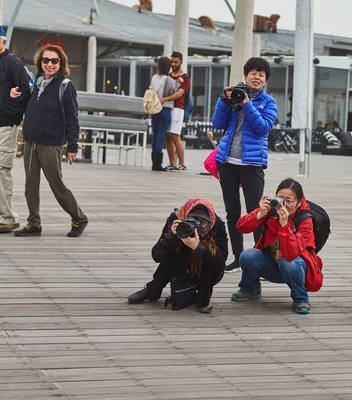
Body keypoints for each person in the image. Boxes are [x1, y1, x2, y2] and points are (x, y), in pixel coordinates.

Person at [11, 45, 88, 237]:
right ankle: (33, 223)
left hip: (51, 144)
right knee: (30, 186)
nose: (50, 64)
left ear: (61, 63)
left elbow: (72, 118)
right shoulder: (36, 84)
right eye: (46, 60)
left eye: (54, 61)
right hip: (31, 142)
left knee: (57, 185)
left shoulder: (65, 86)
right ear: (40, 63)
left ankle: (79, 218)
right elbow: (26, 107)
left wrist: (72, 146)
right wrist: (13, 97)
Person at [212, 57, 277, 272]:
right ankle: (238, 256)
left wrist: (247, 104)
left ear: (265, 79)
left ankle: (258, 259)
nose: (256, 77)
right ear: (246, 76)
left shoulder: (269, 102)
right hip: (227, 162)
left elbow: (263, 128)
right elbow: (217, 124)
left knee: (256, 211)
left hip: (252, 164)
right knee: (232, 211)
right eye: (253, 73)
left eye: (261, 74)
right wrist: (224, 100)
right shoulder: (233, 97)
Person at [231, 178, 321, 314]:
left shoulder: (305, 220)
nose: (283, 204)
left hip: (296, 268)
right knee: (247, 256)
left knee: (289, 263)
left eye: (289, 201)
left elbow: (291, 254)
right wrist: (259, 214)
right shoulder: (271, 211)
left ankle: (300, 298)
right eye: (280, 199)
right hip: (273, 264)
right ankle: (250, 289)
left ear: (299, 203)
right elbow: (240, 227)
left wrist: (285, 226)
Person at [128, 198, 228, 313]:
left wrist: (198, 248)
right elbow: (157, 256)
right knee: (174, 252)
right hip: (179, 266)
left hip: (206, 273)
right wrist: (171, 237)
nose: (197, 225)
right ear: (186, 216)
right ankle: (153, 290)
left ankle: (203, 298)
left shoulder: (217, 225)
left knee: (210, 259)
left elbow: (221, 261)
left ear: (210, 221)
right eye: (193, 219)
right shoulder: (176, 219)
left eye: (202, 221)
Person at [0, 25, 31, 233]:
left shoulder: (11, 62)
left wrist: (8, 108)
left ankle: (8, 217)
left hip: (4, 125)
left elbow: (25, 89)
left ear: (3, 42)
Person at [150, 56, 180, 172]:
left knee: (155, 135)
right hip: (165, 109)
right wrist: (178, 83)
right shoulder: (169, 80)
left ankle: (154, 162)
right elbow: (174, 92)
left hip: (154, 108)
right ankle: (158, 163)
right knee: (161, 136)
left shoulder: (154, 78)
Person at [163, 51, 190, 171]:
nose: (173, 64)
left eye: (175, 62)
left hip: (178, 108)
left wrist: (165, 99)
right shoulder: (167, 76)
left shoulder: (185, 77)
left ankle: (182, 163)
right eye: (172, 62)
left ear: (181, 62)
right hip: (167, 107)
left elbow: (180, 94)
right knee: (168, 136)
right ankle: (172, 163)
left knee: (175, 135)